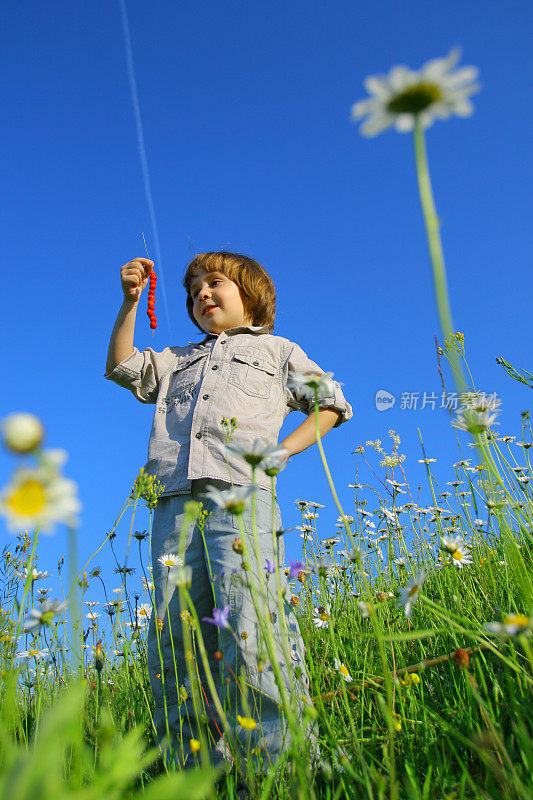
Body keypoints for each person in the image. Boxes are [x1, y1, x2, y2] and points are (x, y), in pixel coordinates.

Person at [104, 251, 352, 777]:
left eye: (214, 283)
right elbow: (121, 367)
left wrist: (283, 452)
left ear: (251, 293)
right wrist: (129, 303)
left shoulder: (278, 350)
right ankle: (194, 774)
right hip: (173, 502)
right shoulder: (175, 358)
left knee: (250, 621)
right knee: (178, 634)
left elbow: (329, 402)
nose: (202, 295)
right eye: (193, 291)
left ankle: (280, 767)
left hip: (241, 495)